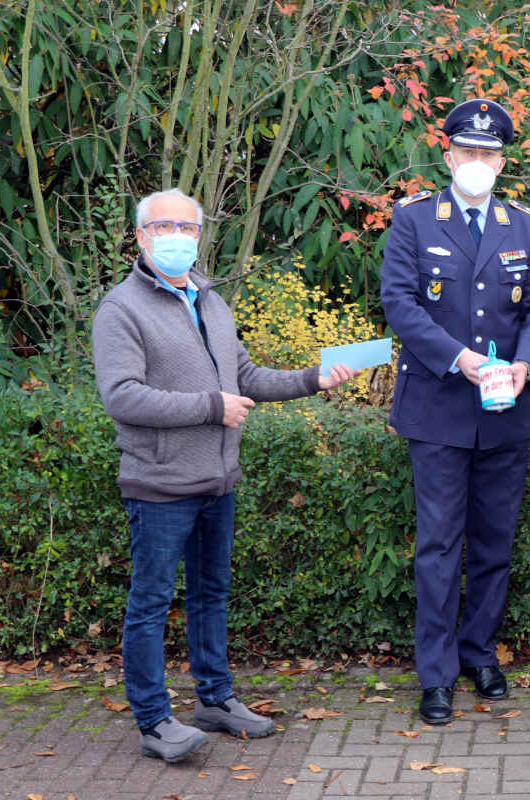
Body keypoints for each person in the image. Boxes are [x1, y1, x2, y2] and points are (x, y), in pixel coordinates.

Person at [92, 188, 356, 762]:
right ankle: (154, 721)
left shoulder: (211, 301)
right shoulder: (120, 309)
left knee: (211, 594)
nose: (178, 238)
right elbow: (122, 396)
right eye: (165, 227)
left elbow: (247, 377)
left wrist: (315, 378)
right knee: (151, 603)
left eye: (188, 229)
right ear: (140, 236)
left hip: (217, 480)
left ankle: (213, 700)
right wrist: (212, 406)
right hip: (159, 485)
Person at [380, 99, 530, 724]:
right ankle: (435, 674)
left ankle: (478, 653)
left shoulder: (523, 226)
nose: (478, 162)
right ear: (449, 155)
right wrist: (459, 359)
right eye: (468, 152)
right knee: (437, 545)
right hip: (437, 407)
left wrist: (527, 364)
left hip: (506, 407)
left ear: (502, 160)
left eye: (489, 153)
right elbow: (400, 306)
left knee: (493, 543)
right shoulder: (415, 220)